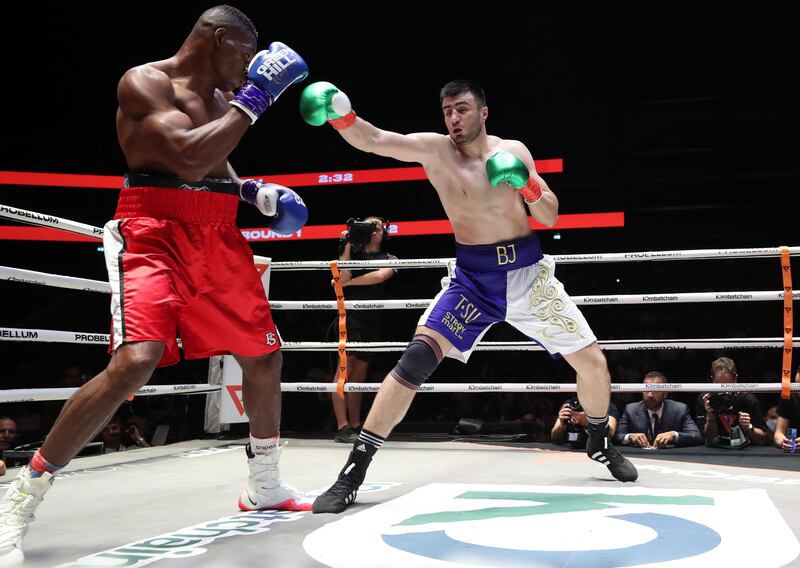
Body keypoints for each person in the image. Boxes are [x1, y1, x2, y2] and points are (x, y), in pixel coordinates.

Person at [0, 6, 311, 564]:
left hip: (215, 231)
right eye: (245, 53)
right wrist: (258, 99)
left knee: (264, 357)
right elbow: (187, 158)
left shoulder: (220, 102)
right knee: (136, 359)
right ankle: (23, 491)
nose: (250, 67)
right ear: (218, 39)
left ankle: (264, 482)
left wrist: (251, 194)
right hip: (154, 229)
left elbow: (216, 160)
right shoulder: (145, 81)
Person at [300, 79, 638, 514]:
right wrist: (340, 115)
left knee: (592, 362)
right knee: (415, 360)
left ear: (482, 113)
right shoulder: (435, 151)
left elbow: (550, 214)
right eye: (446, 111)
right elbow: (374, 140)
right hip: (473, 282)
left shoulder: (513, 152)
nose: (453, 119)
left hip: (528, 277)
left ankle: (598, 439)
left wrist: (528, 186)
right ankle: (353, 472)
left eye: (461, 109)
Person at [331, 217, 397, 443]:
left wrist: (346, 285)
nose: (373, 232)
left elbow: (380, 276)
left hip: (373, 319)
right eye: (368, 228)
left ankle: (356, 424)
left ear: (383, 233)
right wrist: (347, 245)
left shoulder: (389, 258)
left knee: (359, 375)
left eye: (377, 228)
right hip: (349, 316)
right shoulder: (353, 254)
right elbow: (342, 276)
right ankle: (342, 426)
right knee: (345, 369)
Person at [696, 357, 770, 448]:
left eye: (727, 386)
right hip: (715, 451)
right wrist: (711, 419)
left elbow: (763, 439)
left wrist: (748, 427)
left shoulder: (748, 400)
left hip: (746, 452)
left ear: (735, 378)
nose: (724, 392)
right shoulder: (706, 399)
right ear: (712, 379)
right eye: (719, 386)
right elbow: (709, 437)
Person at [615, 372, 703, 448]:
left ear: (665, 393)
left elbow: (697, 436)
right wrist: (630, 436)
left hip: (671, 459)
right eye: (646, 390)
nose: (649, 395)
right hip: (641, 458)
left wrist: (674, 435)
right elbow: (616, 436)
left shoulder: (680, 409)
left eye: (655, 390)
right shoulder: (631, 409)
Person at [551, 399, 618, 448]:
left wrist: (590, 421)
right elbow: (555, 438)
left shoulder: (606, 405)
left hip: (598, 450)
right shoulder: (571, 404)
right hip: (570, 452)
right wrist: (562, 425)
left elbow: (610, 433)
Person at [773, 368, 800, 452]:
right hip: (793, 452)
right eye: (799, 373)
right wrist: (783, 442)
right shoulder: (788, 396)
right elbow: (779, 432)